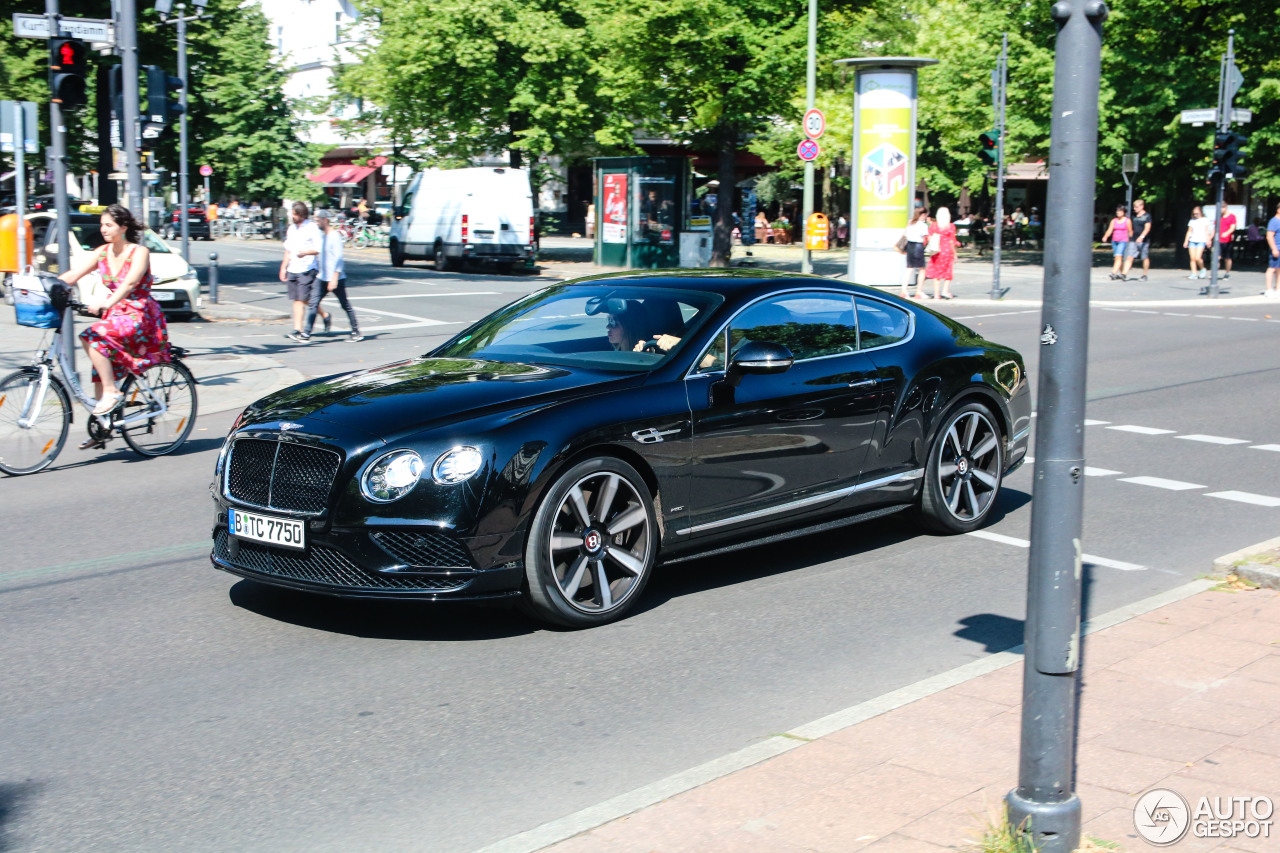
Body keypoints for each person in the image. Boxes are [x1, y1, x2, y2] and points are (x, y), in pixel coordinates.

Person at [57, 205, 171, 445]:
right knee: (100, 365)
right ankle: (104, 425)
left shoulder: (139, 252)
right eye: (102, 225)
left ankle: (112, 392)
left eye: (108, 225)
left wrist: (105, 302)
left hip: (140, 315)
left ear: (123, 227)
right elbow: (73, 274)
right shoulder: (102, 252)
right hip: (116, 314)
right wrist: (46, 286)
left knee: (92, 335)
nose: (103, 229)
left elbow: (130, 284)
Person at [300, 212, 362, 342]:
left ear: (325, 220)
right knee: (313, 303)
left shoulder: (334, 236)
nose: (316, 223)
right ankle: (306, 333)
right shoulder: (324, 236)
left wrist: (334, 278)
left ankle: (356, 331)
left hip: (336, 278)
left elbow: (339, 259)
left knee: (345, 304)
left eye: (318, 221)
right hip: (322, 277)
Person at [280, 201, 323, 342]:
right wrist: (283, 267)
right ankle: (297, 329)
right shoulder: (291, 229)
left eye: (294, 214)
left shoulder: (312, 228)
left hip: (307, 267)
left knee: (303, 298)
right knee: (297, 299)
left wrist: (305, 253)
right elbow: (288, 249)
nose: (292, 216)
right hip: (293, 267)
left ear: (301, 214)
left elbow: (318, 248)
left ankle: (323, 316)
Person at [925, 207, 957, 299]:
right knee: (948, 271)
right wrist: (955, 254)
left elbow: (930, 238)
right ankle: (945, 290)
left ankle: (936, 294)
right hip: (947, 251)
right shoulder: (951, 226)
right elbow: (952, 241)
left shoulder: (934, 225)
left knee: (936, 273)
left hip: (936, 251)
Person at [900, 208, 929, 298]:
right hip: (918, 246)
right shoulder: (923, 225)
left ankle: (904, 291)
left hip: (909, 246)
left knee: (909, 268)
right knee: (922, 269)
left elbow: (905, 234)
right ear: (923, 215)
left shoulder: (910, 222)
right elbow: (925, 238)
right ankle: (919, 291)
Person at [1121, 198, 1153, 281]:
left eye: (1137, 207)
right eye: (1134, 207)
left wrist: (1142, 237)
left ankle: (1145, 274)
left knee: (1144, 257)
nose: (1135, 209)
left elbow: (1147, 228)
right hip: (1133, 239)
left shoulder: (1147, 216)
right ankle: (1124, 274)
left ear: (1142, 206)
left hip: (1144, 241)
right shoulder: (1133, 216)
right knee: (1130, 257)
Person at [1101, 205, 1132, 280]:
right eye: (1117, 211)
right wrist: (1105, 236)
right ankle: (1122, 273)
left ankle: (1113, 273)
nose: (1118, 212)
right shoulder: (1114, 220)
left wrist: (1132, 240)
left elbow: (1130, 231)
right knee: (1118, 257)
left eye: (1120, 211)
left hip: (1123, 240)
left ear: (1124, 212)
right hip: (1114, 241)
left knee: (1118, 256)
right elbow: (1110, 230)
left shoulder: (1127, 220)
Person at [1183, 206, 1214, 279]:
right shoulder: (1192, 221)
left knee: (1198, 257)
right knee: (1192, 258)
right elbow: (1189, 231)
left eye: (1197, 213)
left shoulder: (1205, 220)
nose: (1195, 215)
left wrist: (1208, 240)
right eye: (1194, 214)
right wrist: (1186, 241)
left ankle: (1202, 269)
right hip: (1192, 240)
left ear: (1201, 212)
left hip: (1201, 240)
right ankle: (1194, 273)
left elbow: (1207, 231)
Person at [1216, 202, 1237, 280]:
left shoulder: (1232, 217)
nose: (1220, 210)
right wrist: (1210, 238)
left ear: (1225, 208)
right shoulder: (1218, 217)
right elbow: (1215, 228)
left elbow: (1232, 227)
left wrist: (1227, 233)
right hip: (1218, 240)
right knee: (1217, 257)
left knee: (1227, 258)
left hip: (1228, 241)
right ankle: (1215, 273)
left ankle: (1227, 272)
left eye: (1222, 208)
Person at [1266, 203, 1280, 298]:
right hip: (1277, 248)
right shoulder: (1274, 221)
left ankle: (1278, 290)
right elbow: (1269, 236)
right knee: (1271, 269)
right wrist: (1274, 249)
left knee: (1279, 269)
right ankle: (1268, 290)